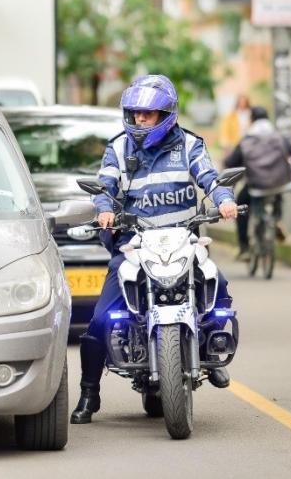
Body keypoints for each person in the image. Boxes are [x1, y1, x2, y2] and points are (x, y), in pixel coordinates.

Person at [71, 74, 239, 425]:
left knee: (218, 286)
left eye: (148, 114)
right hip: (135, 245)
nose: (140, 121)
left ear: (167, 115)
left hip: (183, 240)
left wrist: (224, 201)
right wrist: (104, 209)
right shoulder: (118, 147)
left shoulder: (190, 145)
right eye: (135, 114)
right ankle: (89, 393)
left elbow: (210, 178)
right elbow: (105, 186)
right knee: (101, 319)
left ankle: (210, 352)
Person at [224, 106, 291, 259]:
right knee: (277, 193)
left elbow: (231, 162)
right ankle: (276, 219)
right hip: (280, 183)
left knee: (241, 205)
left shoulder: (247, 139)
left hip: (256, 185)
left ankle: (244, 248)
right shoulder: (278, 136)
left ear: (251, 120)